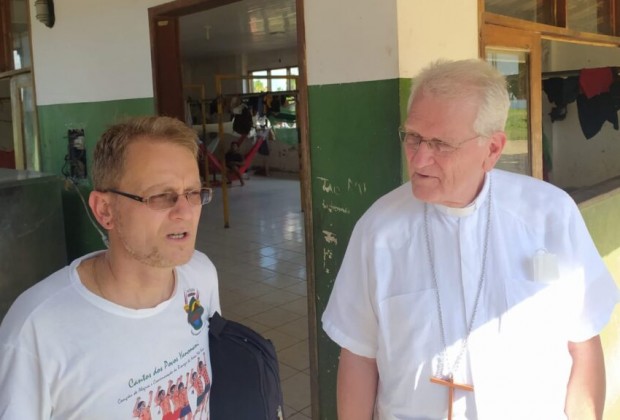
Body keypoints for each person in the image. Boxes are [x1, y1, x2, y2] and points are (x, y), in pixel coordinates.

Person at [322, 59, 619, 420]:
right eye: (413, 137)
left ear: (492, 149)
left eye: (440, 144)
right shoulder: (379, 231)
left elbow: (583, 345)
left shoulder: (550, 215)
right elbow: (358, 355)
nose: (419, 159)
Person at [0, 116, 221, 418]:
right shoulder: (37, 329)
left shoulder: (201, 276)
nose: (185, 212)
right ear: (106, 211)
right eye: (160, 196)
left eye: (193, 193)